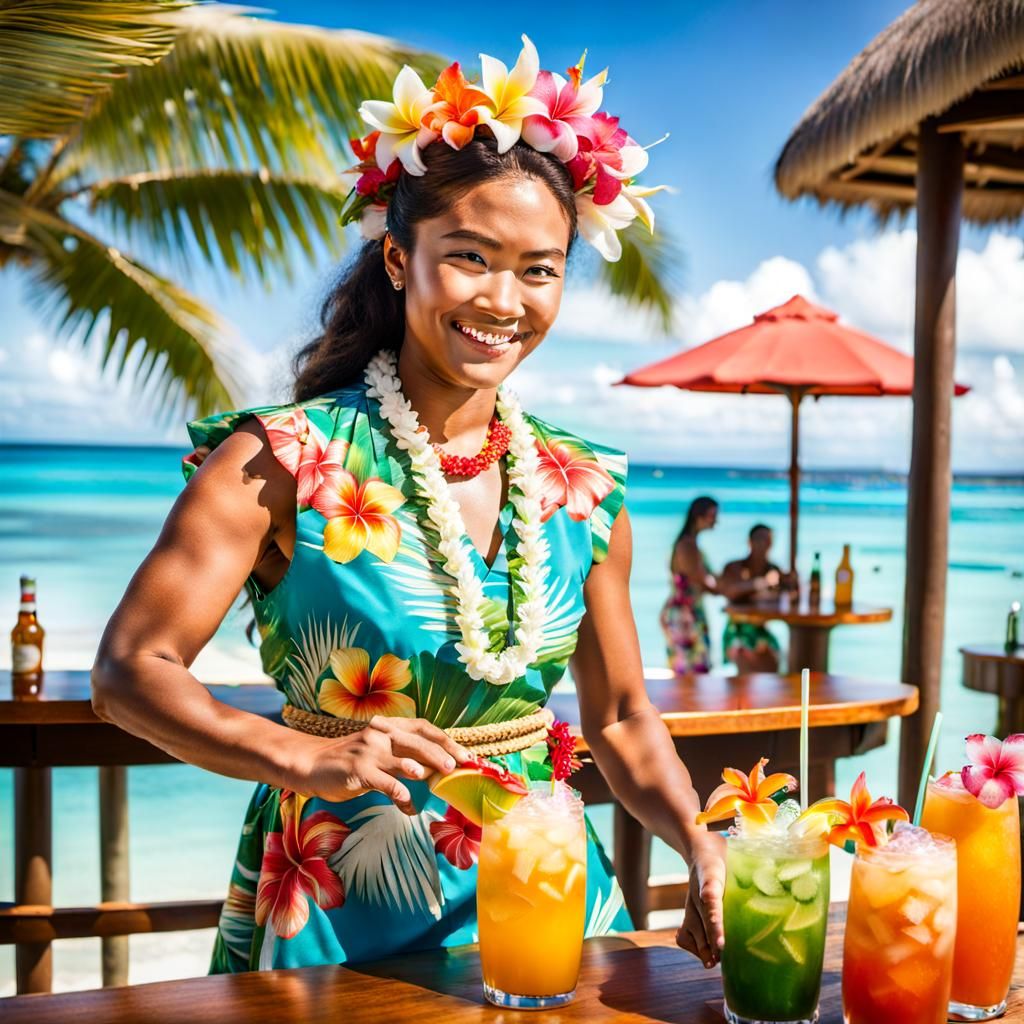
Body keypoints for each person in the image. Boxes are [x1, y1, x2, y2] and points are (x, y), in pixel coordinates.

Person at [90, 37, 726, 975]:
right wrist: (295, 756)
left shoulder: (581, 485)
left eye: (539, 269)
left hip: (550, 895)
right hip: (342, 912)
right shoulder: (280, 460)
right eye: (470, 256)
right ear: (398, 257)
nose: (504, 299)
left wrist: (697, 841)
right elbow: (130, 670)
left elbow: (625, 716)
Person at [660, 496, 720, 674]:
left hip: (686, 613)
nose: (716, 520)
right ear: (699, 516)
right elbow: (704, 582)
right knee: (691, 672)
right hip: (685, 616)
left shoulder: (688, 543)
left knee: (691, 670)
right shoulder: (687, 545)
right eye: (712, 515)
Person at [720, 524, 788, 673]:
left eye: (768, 540)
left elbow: (787, 598)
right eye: (761, 539)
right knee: (744, 656)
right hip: (737, 628)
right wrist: (762, 583)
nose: (765, 544)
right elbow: (729, 591)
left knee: (775, 664)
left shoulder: (773, 569)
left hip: (761, 629)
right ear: (750, 541)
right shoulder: (734, 567)